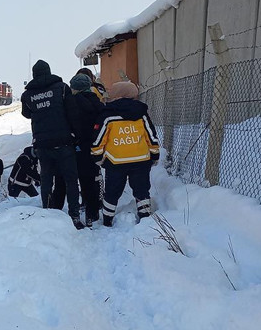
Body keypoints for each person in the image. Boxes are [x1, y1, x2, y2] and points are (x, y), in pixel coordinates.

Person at [21, 59, 84, 229]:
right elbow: (73, 114)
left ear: (34, 75)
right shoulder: (62, 88)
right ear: (49, 71)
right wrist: (77, 136)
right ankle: (74, 216)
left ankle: (47, 213)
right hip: (64, 142)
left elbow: (26, 113)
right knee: (71, 180)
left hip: (42, 144)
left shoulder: (27, 95)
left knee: (47, 179)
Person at [91, 81, 160, 227]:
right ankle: (145, 219)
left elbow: (99, 138)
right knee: (142, 190)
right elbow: (150, 135)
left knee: (112, 192)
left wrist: (97, 156)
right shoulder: (141, 113)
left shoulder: (107, 116)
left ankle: (108, 221)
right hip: (141, 160)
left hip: (116, 162)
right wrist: (154, 153)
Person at [70, 73, 106, 227]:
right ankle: (93, 213)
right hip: (96, 146)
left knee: (80, 180)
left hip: (78, 146)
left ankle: (81, 211)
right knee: (92, 179)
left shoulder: (72, 103)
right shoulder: (98, 103)